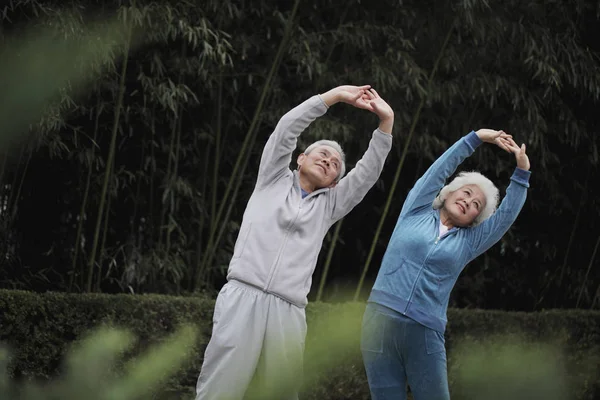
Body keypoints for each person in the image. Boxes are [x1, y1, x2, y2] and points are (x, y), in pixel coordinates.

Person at [196, 85, 395, 400]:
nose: (329, 161)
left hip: (288, 310)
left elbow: (366, 175)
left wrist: (386, 122)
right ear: (301, 158)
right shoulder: (272, 178)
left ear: (334, 182)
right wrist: (335, 96)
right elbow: (287, 128)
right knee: (220, 386)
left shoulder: (330, 204)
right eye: (322, 154)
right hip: (243, 295)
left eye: (335, 165)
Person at [361, 129, 531, 400]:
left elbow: (505, 218)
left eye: (476, 204)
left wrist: (521, 173)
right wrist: (476, 138)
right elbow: (440, 169)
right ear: (450, 192)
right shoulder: (415, 210)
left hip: (425, 333)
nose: (468, 201)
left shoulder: (470, 242)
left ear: (476, 217)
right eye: (466, 193)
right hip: (379, 321)